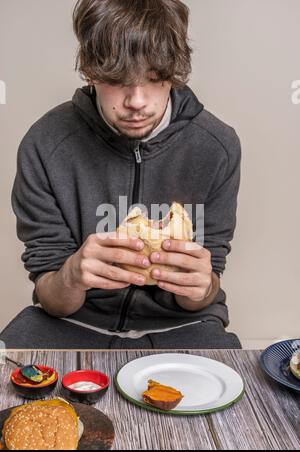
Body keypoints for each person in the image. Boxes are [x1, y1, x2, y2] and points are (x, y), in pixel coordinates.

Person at [1, 0, 242, 349]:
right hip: (70, 322)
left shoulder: (217, 147)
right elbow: (51, 294)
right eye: (117, 80)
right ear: (90, 70)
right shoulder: (45, 143)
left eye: (155, 78)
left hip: (182, 325)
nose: (137, 101)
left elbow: (207, 283)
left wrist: (202, 286)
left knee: (239, 398)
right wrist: (70, 275)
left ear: (174, 73)